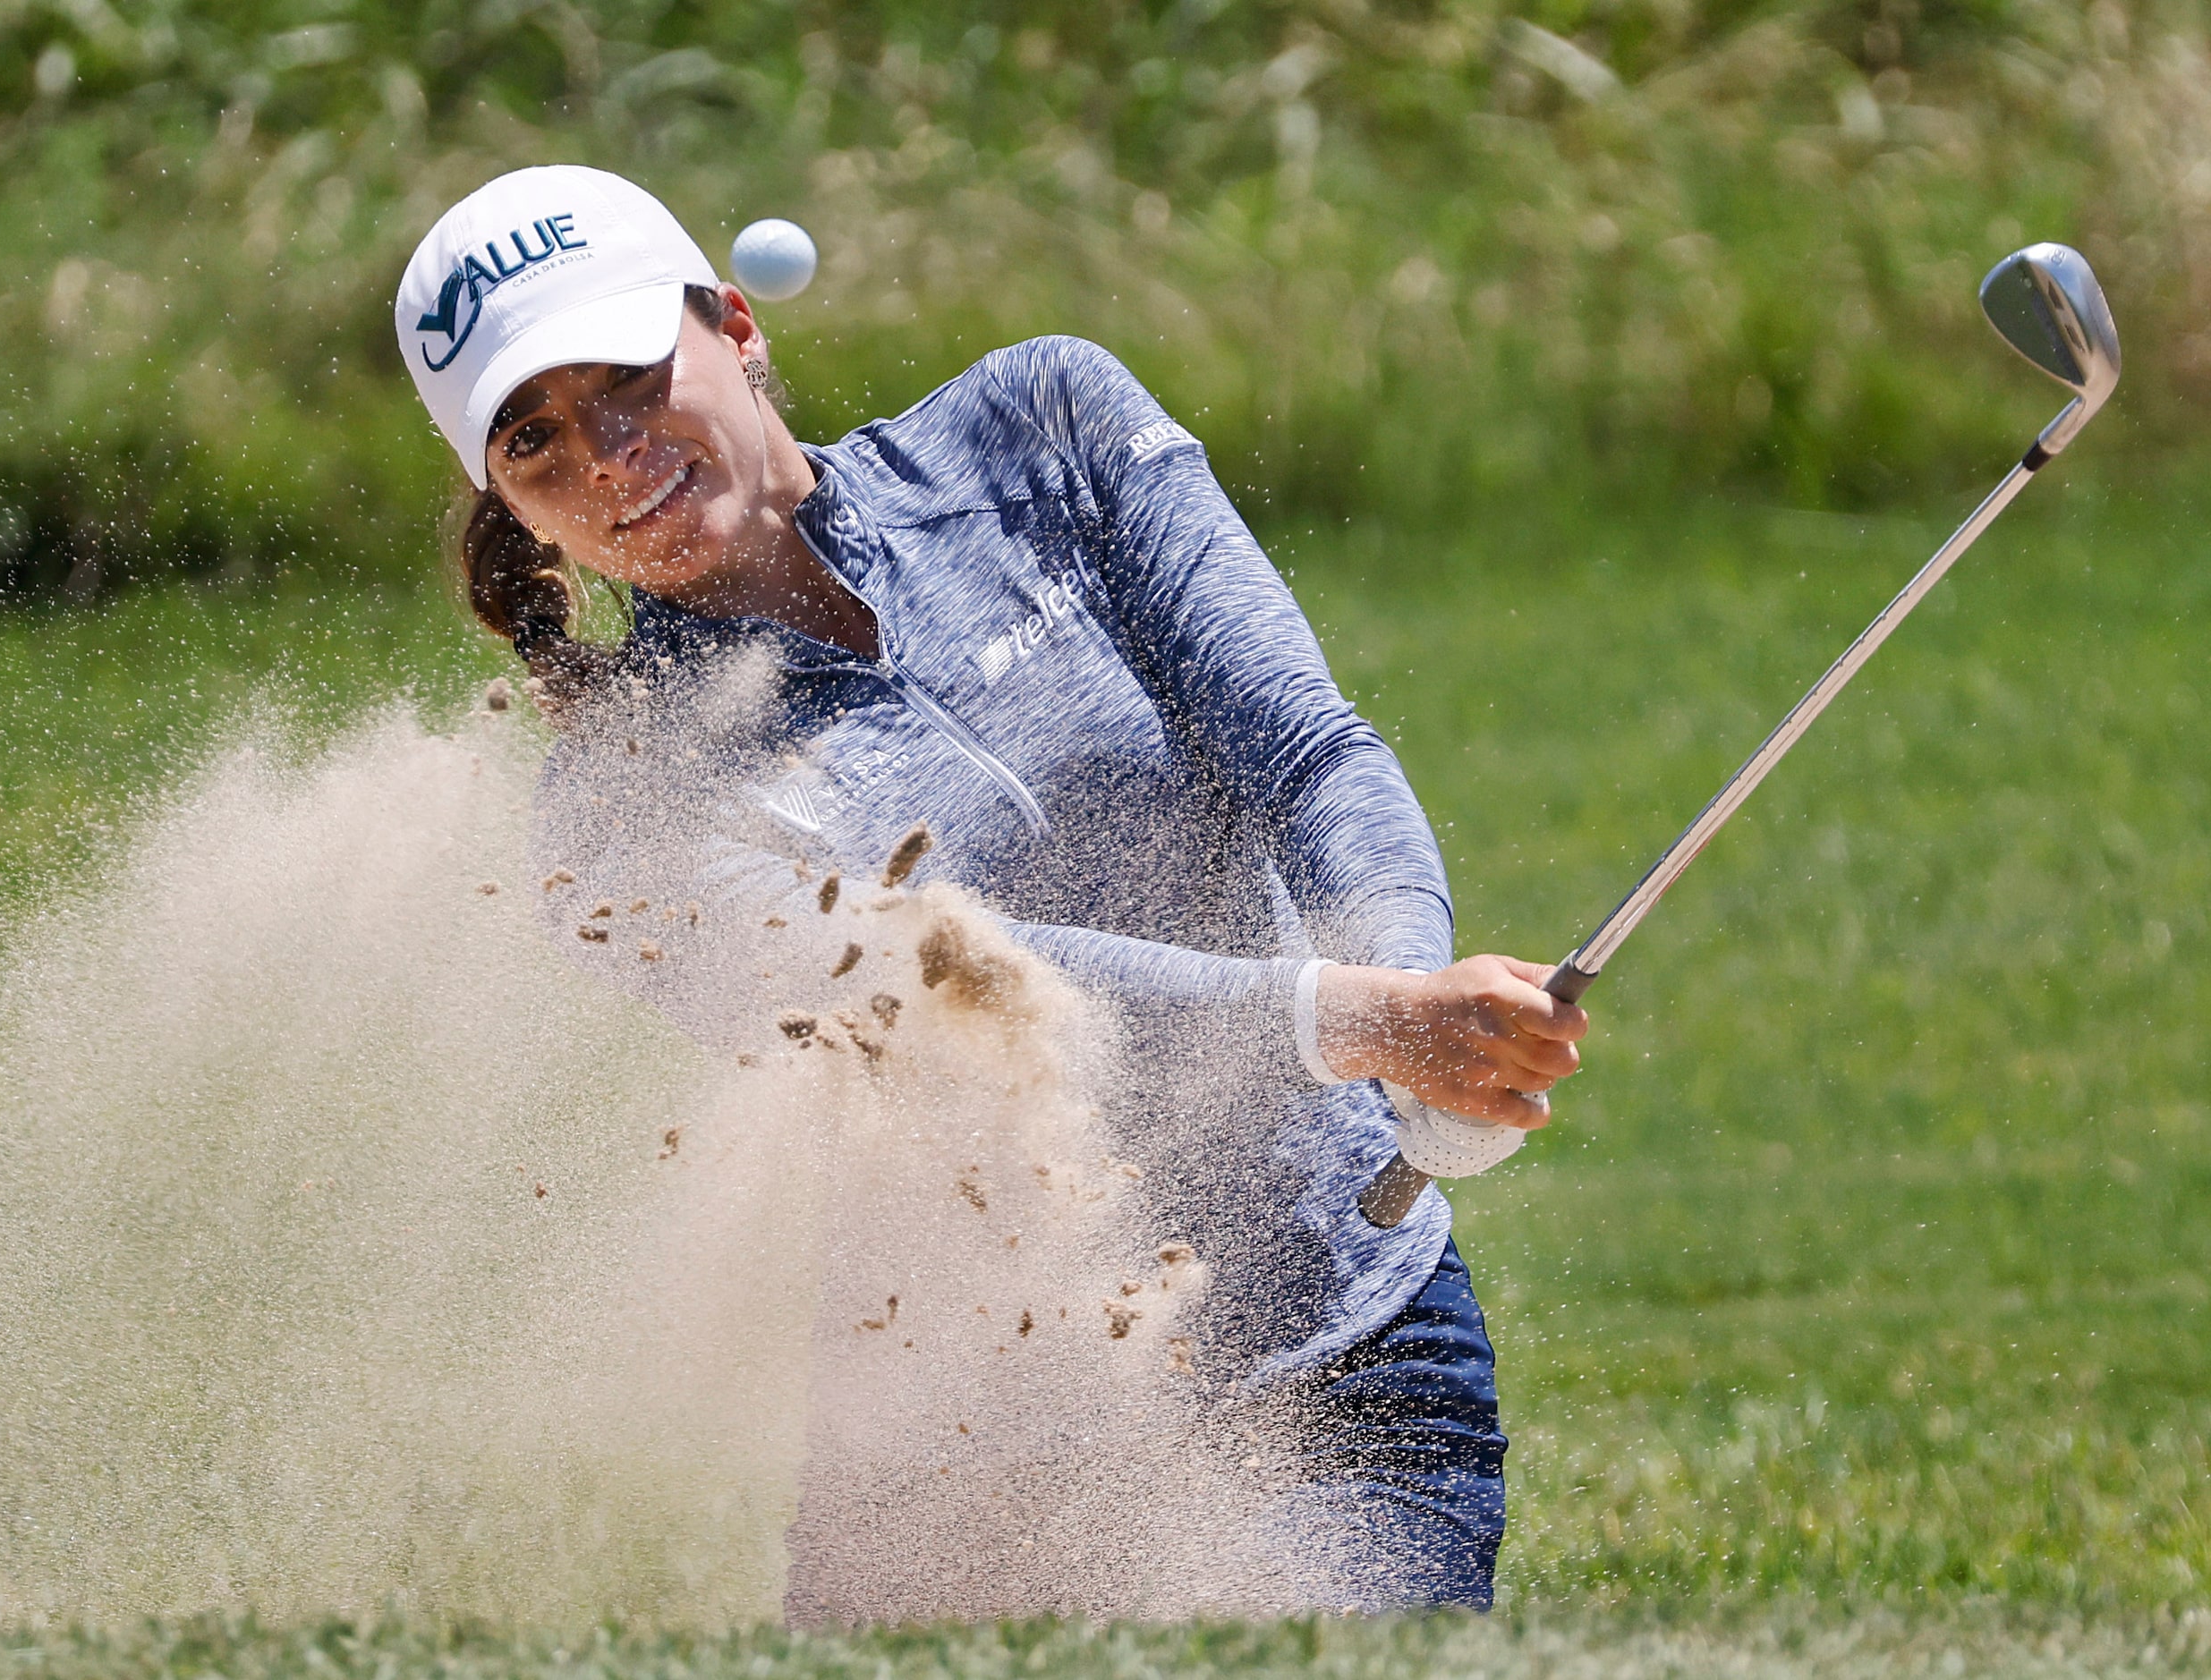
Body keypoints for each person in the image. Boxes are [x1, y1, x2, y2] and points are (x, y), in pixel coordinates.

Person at [395, 165, 1590, 1610]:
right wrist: (1360, 1018)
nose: (608, 455)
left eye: (634, 380)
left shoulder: (1041, 426)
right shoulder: (618, 812)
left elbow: (1308, 748)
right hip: (957, 1464)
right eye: (535, 440)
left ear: (735, 326)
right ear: (508, 505)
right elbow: (965, 997)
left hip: (1340, 1361)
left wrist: (1416, 1012)